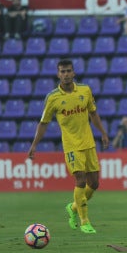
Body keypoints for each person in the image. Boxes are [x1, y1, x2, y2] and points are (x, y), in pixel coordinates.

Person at [28, 59, 110, 234]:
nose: (65, 74)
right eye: (62, 71)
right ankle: (84, 220)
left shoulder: (85, 91)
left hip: (88, 143)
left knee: (94, 184)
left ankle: (73, 207)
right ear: (58, 74)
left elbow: (93, 113)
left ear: (74, 73)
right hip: (71, 146)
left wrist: (102, 132)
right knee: (80, 180)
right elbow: (43, 123)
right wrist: (34, 145)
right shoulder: (53, 98)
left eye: (68, 71)